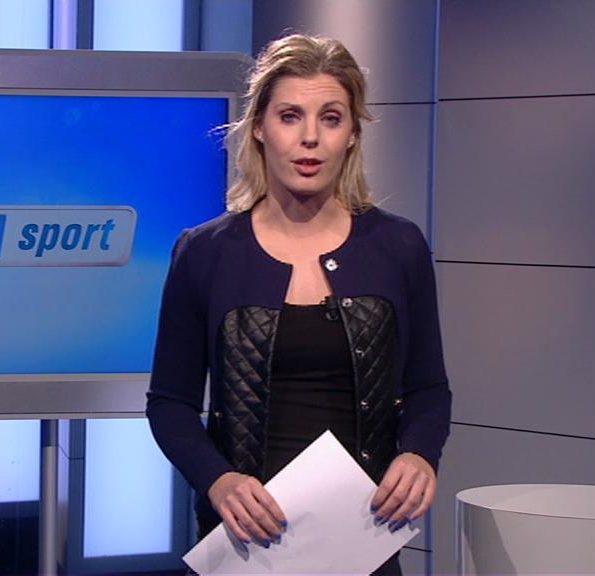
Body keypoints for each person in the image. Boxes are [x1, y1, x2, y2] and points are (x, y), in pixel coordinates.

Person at [145, 33, 452, 575]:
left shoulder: (398, 246)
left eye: (330, 118)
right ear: (259, 127)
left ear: (352, 134)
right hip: (245, 544)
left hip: (362, 537)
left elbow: (427, 387)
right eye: (290, 116)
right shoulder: (205, 252)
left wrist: (419, 454)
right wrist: (219, 480)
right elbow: (170, 403)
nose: (310, 137)